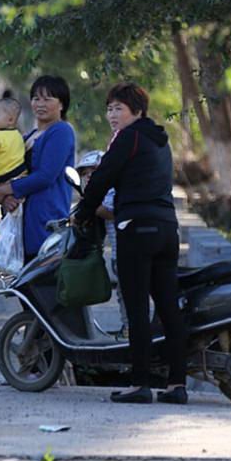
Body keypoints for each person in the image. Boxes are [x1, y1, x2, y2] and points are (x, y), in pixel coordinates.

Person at [75, 82, 189, 405]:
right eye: (109, 108)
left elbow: (101, 178)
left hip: (136, 229)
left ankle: (139, 383)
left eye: (118, 108)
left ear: (137, 111)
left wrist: (83, 212)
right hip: (167, 229)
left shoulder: (129, 137)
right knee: (168, 307)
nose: (112, 115)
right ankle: (176, 384)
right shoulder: (160, 141)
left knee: (137, 307)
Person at [0, 75, 76, 262]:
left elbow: (46, 176)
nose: (40, 104)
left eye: (48, 99)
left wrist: (7, 189)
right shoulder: (29, 135)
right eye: (36, 98)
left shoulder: (61, 131)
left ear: (62, 104)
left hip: (47, 220)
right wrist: (5, 198)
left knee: (44, 285)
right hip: (23, 222)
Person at [77, 150, 128, 338]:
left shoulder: (111, 190)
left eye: (94, 171)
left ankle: (131, 330)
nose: (89, 176)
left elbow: (109, 211)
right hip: (118, 252)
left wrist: (89, 206)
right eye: (85, 172)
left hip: (126, 251)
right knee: (123, 294)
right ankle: (128, 328)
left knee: (128, 295)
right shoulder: (100, 192)